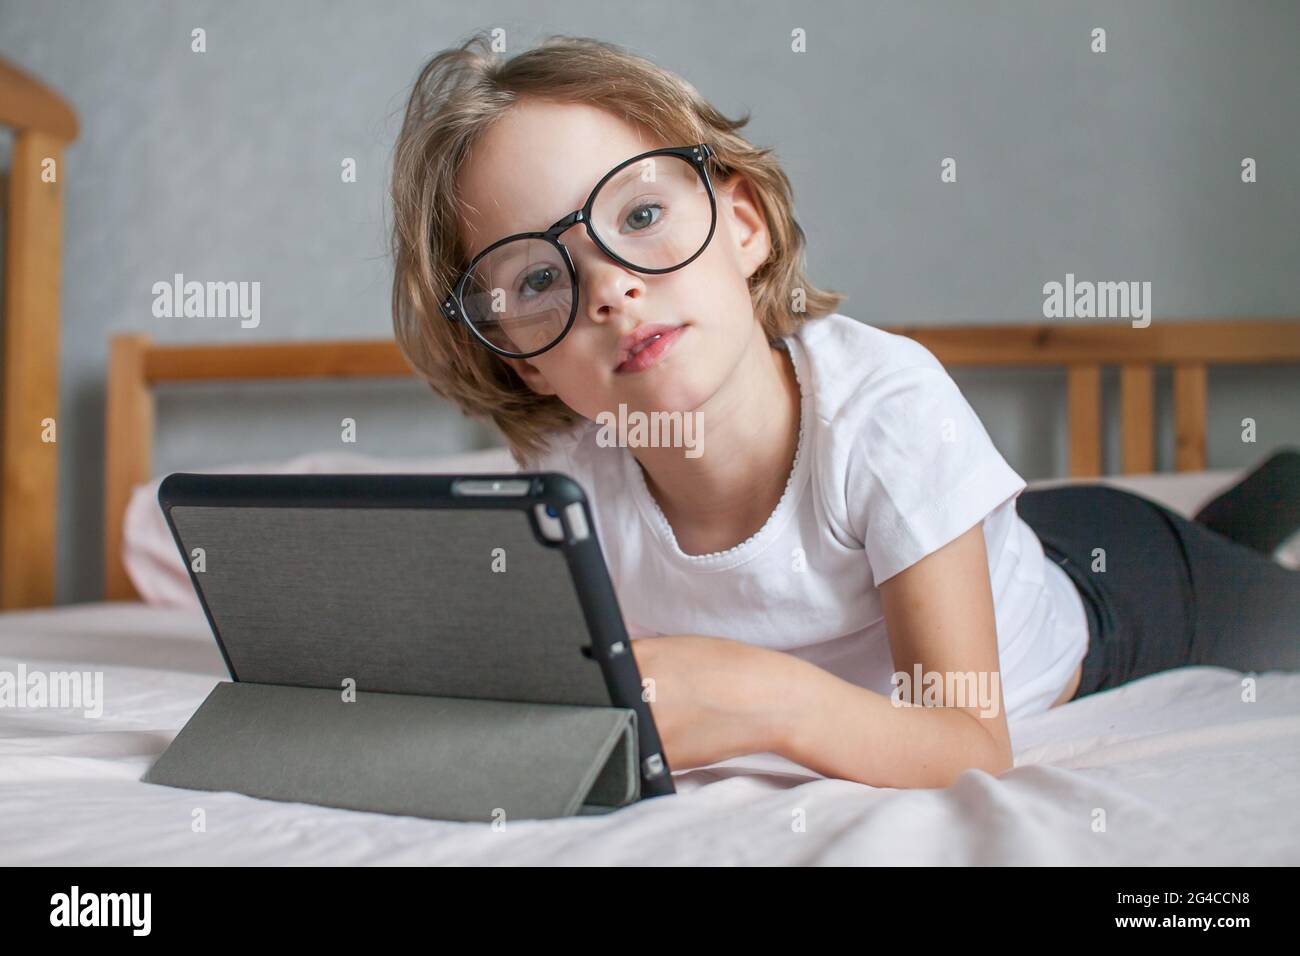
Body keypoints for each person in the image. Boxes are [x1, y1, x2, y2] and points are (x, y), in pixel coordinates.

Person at [388, 32, 1300, 788]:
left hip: (1126, 596)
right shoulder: (565, 471)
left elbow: (971, 744)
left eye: (638, 216)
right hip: (975, 543)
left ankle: (1262, 498)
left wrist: (765, 699)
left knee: (1264, 599)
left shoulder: (886, 409)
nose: (612, 290)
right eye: (540, 278)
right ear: (521, 359)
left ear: (744, 228)